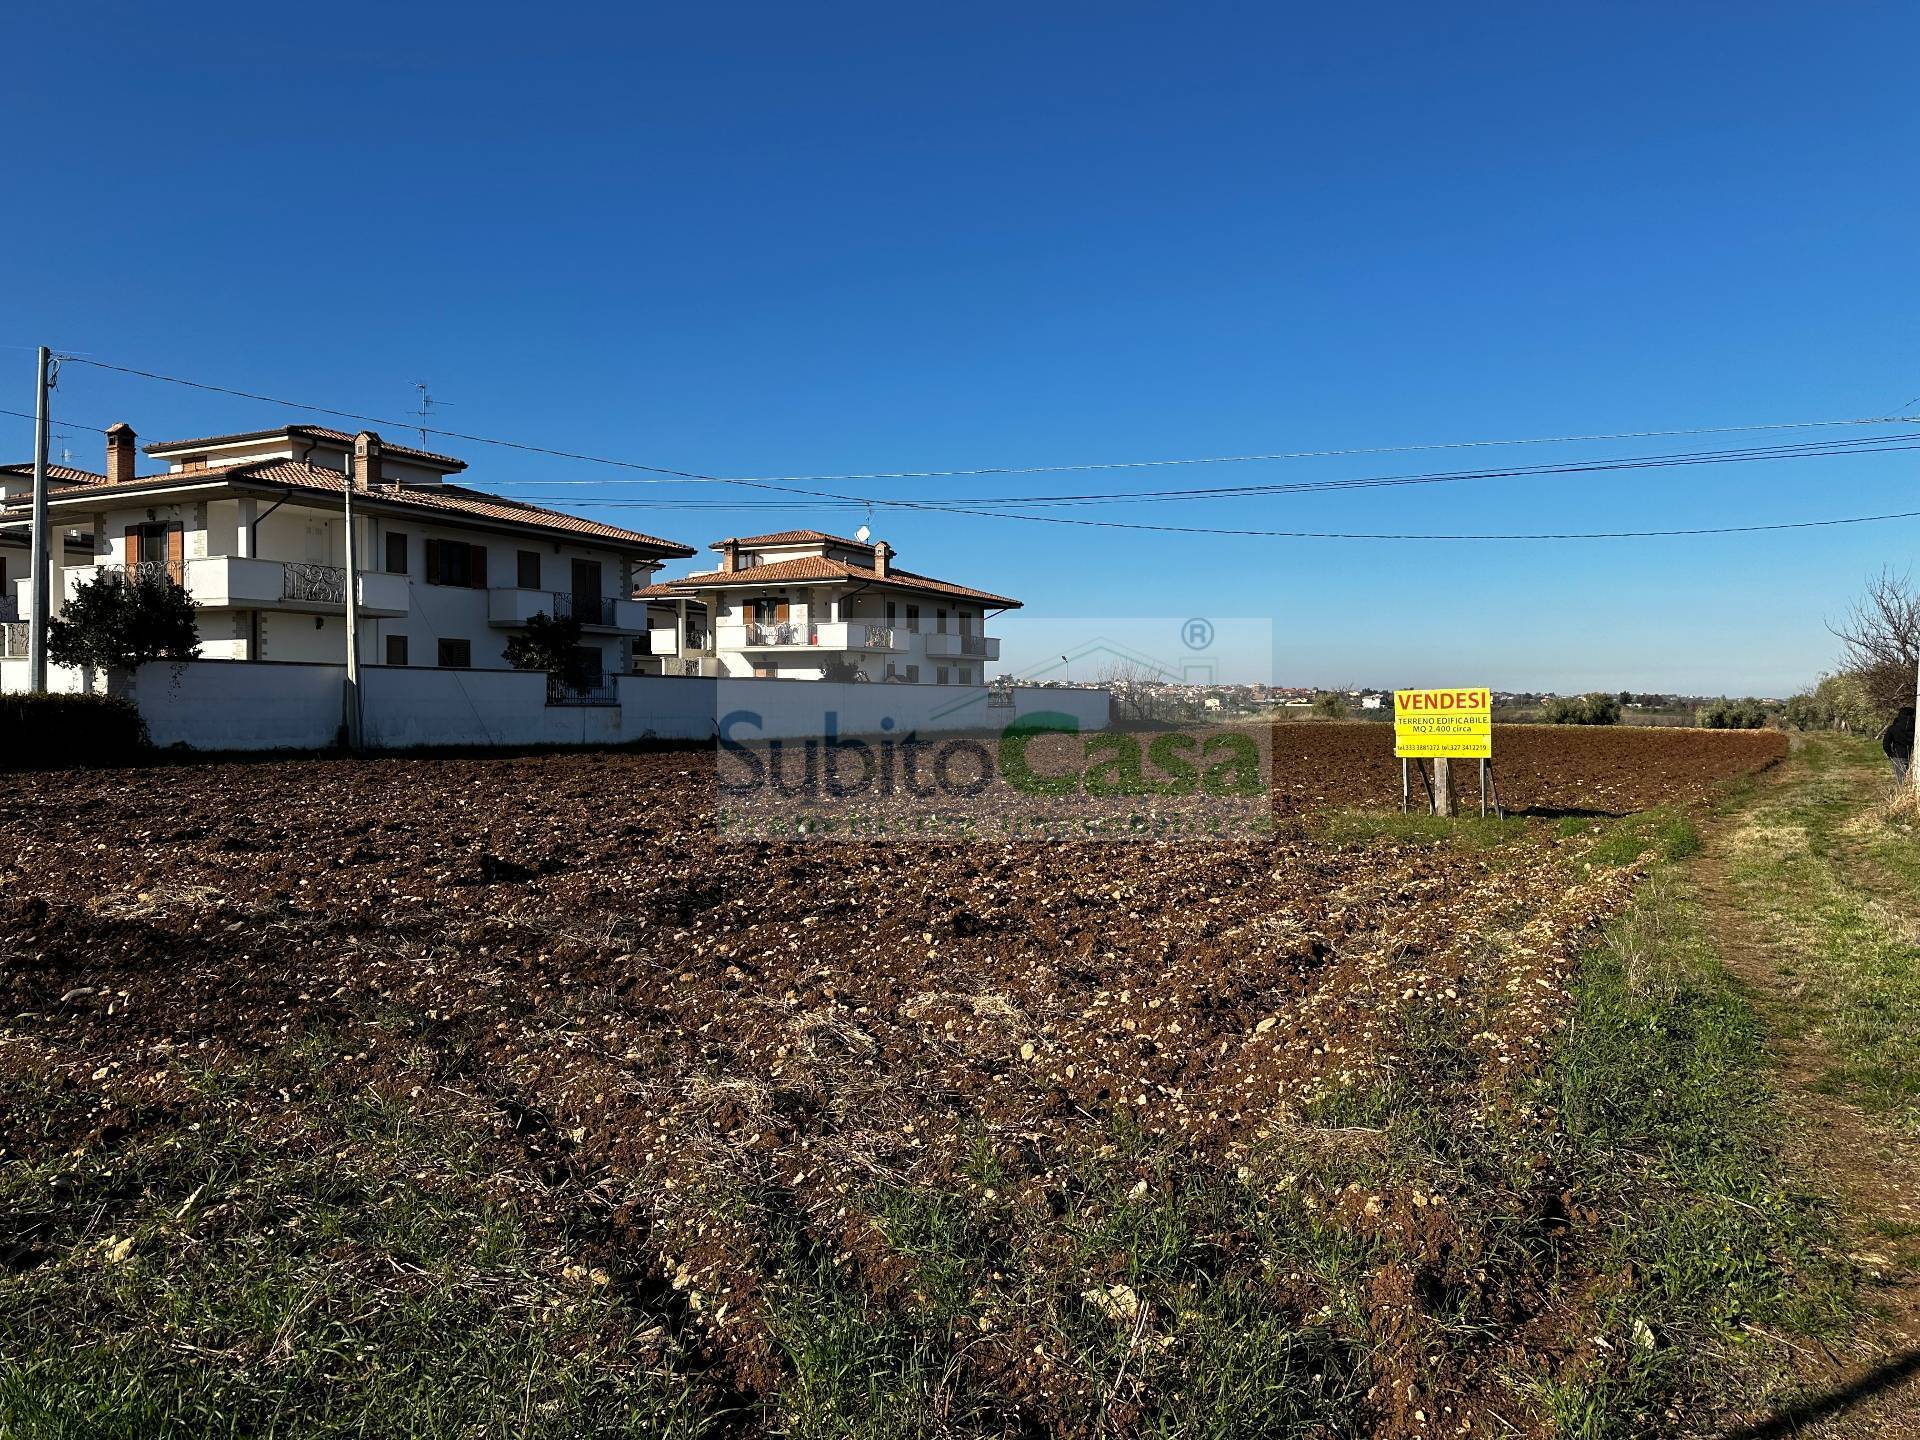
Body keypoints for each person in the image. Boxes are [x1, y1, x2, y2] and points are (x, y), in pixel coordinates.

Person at [1881, 705, 1915, 783]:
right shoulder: (1916, 727)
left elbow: (1886, 743)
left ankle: (1904, 794)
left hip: (1898, 756)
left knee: (1901, 781)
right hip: (1914, 756)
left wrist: (1890, 754)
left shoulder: (1893, 728)